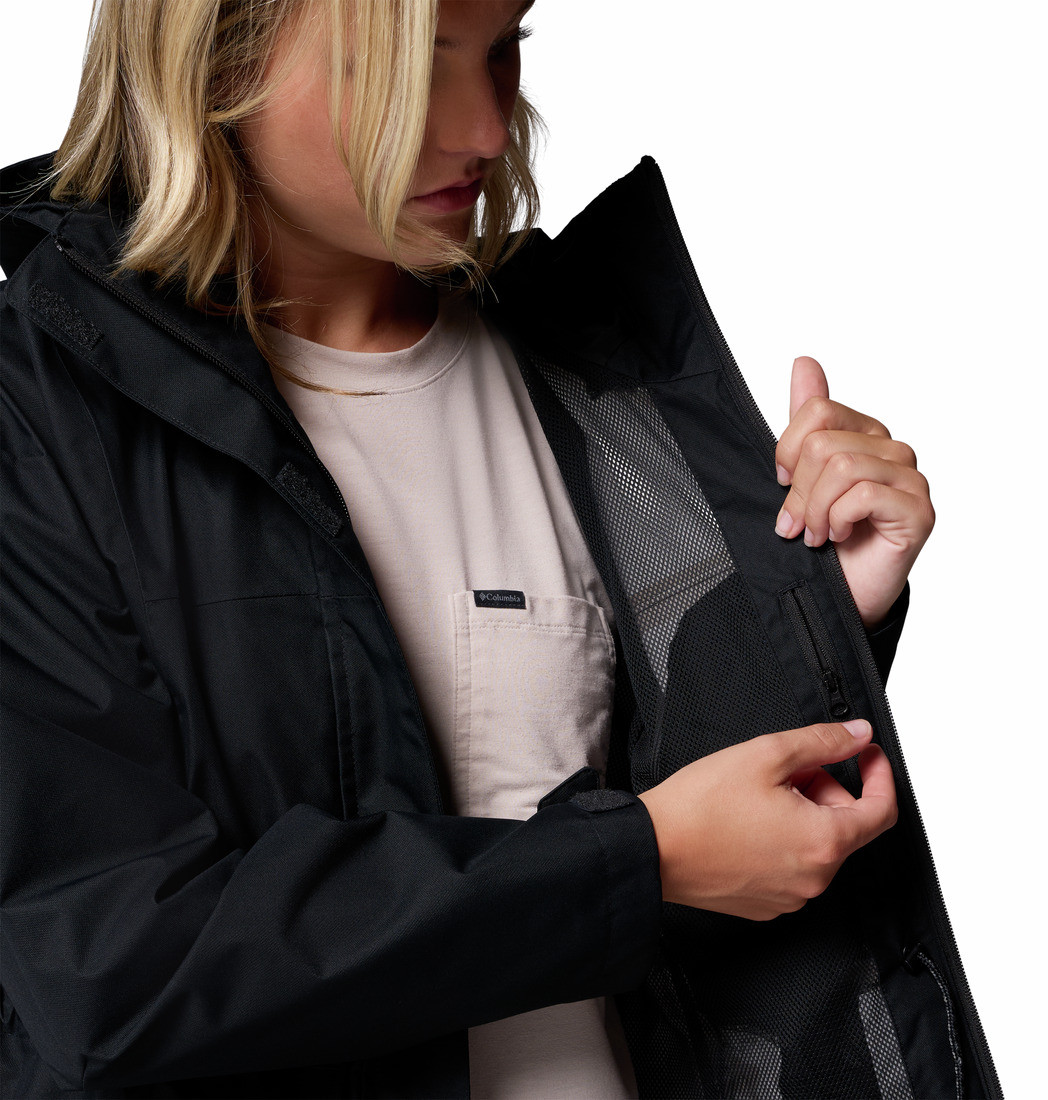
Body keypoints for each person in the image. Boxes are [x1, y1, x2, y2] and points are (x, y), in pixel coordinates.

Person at [0, 1, 999, 1097]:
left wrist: (811, 614)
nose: (484, 127)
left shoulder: (585, 363)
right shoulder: (38, 414)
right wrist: (639, 861)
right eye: (414, 65)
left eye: (504, 47)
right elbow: (108, 968)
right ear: (217, 57)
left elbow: (694, 836)